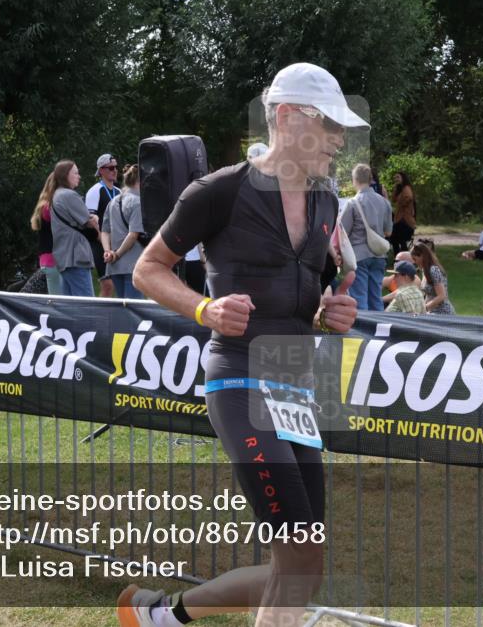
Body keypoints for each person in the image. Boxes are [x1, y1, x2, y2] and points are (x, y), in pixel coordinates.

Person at [125, 62, 363, 627]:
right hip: (239, 379)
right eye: (329, 124)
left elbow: (307, 294)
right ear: (284, 117)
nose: (339, 140)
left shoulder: (327, 201)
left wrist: (332, 311)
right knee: (300, 555)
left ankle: (158, 616)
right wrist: (204, 307)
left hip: (295, 384)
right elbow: (147, 269)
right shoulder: (220, 190)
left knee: (302, 564)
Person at [340, 163, 392, 311]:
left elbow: (342, 231)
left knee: (359, 299)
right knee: (376, 298)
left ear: (354, 180)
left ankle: (362, 332)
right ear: (370, 180)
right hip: (379, 255)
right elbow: (388, 232)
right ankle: (379, 332)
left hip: (359, 255)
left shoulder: (352, 203)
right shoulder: (384, 202)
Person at [49, 160, 100, 297]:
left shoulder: (56, 195)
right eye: (76, 173)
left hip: (64, 257)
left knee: (71, 306)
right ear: (66, 175)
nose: (79, 176)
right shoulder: (69, 195)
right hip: (75, 257)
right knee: (87, 304)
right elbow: (89, 222)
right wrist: (95, 219)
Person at [101, 164, 145, 299]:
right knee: (134, 310)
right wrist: (117, 254)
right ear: (140, 181)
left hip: (114, 267)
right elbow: (133, 235)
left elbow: (104, 231)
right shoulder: (137, 202)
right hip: (132, 264)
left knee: (122, 307)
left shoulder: (113, 201)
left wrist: (108, 251)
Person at [87, 153, 122, 297]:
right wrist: (103, 239)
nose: (114, 170)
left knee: (120, 283)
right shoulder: (95, 191)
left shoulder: (119, 192)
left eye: (116, 167)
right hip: (99, 244)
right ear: (101, 170)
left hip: (118, 244)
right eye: (110, 168)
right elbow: (90, 220)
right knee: (107, 285)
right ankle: (99, 318)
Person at [28, 169, 63, 295]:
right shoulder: (50, 207)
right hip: (54, 260)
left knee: (56, 299)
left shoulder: (43, 205)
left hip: (46, 260)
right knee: (58, 302)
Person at [412, 242, 455, 315]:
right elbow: (429, 295)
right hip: (431, 311)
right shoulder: (424, 270)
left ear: (422, 256)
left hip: (442, 312)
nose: (413, 262)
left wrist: (424, 308)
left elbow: (441, 296)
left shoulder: (433, 270)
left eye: (414, 259)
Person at [389, 171, 416, 256]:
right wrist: (396, 188)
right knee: (394, 239)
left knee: (400, 240)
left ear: (403, 178)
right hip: (399, 219)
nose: (396, 179)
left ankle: (405, 258)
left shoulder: (406, 188)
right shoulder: (399, 189)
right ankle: (398, 258)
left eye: (398, 177)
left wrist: (401, 204)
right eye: (395, 178)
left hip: (405, 220)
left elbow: (409, 198)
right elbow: (393, 199)